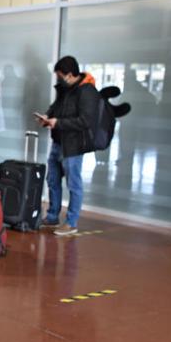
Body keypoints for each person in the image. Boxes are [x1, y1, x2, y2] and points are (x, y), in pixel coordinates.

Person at [35, 56, 98, 237]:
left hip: (74, 146)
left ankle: (71, 222)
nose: (58, 79)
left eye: (60, 76)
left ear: (70, 75)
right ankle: (53, 215)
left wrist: (58, 123)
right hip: (58, 142)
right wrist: (47, 118)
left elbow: (85, 121)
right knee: (52, 179)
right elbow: (56, 107)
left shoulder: (87, 92)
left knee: (74, 184)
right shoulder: (65, 89)